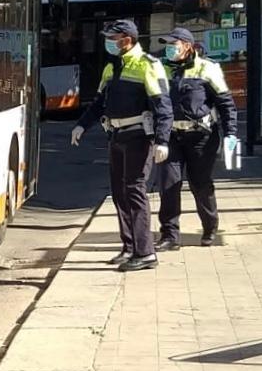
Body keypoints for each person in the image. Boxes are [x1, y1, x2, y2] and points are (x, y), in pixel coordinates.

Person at [70, 19, 172, 271]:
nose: (109, 43)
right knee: (119, 193)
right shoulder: (111, 67)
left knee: (135, 191)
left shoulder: (148, 65)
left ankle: (145, 252)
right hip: (116, 136)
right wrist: (82, 125)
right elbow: (98, 103)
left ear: (127, 40)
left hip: (139, 136)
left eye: (113, 39)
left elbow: (163, 107)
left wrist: (162, 141)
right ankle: (129, 247)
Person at [153, 27, 237, 249]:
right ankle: (170, 235)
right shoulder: (160, 68)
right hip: (170, 135)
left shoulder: (207, 68)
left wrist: (231, 134)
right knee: (168, 184)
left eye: (174, 44)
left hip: (201, 136)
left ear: (187, 46)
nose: (169, 49)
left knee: (199, 184)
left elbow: (225, 103)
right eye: (167, 45)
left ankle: (210, 226)